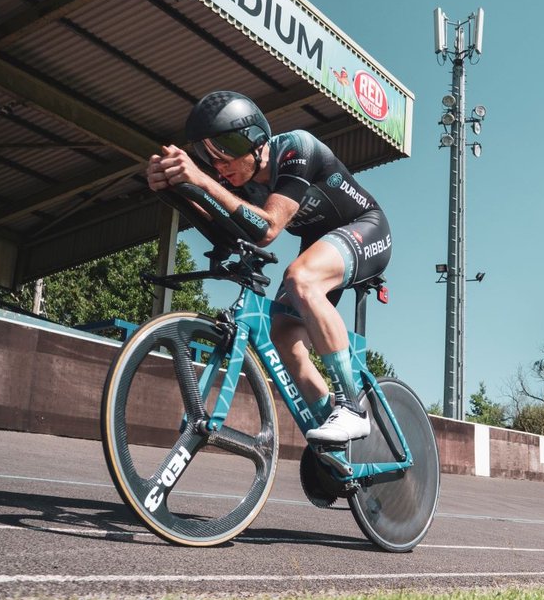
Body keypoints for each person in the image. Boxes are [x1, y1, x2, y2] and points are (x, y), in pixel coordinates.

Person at [145, 90, 392, 443]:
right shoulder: (243, 187)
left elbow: (266, 229)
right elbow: (231, 235)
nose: (217, 164)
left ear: (255, 141)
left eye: (224, 150)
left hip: (367, 228)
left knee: (300, 278)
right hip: (320, 244)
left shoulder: (295, 149)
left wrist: (201, 181)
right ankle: (338, 441)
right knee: (283, 335)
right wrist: (174, 190)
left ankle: (351, 407)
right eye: (206, 155)